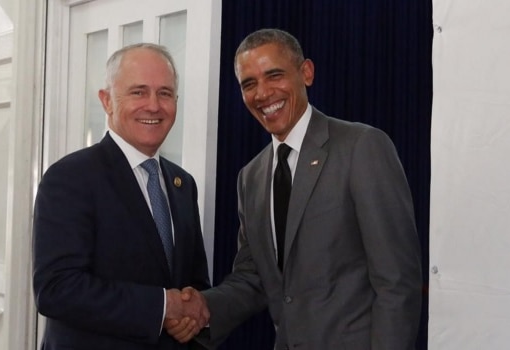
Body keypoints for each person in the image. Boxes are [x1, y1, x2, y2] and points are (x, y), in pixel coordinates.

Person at [168, 28, 422, 349]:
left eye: (274, 75)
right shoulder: (251, 177)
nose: (262, 93)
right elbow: (254, 277)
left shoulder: (362, 147)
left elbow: (397, 283)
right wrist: (203, 308)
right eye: (249, 84)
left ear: (306, 73)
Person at [32, 43, 210, 350]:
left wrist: (195, 309)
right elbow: (56, 289)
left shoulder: (183, 185)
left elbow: (192, 282)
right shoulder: (70, 178)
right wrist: (162, 307)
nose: (154, 105)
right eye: (138, 92)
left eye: (164, 93)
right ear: (107, 101)